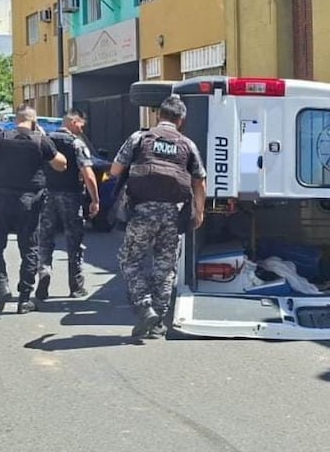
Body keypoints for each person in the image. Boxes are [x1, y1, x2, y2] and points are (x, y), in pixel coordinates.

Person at [110, 96, 207, 339]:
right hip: (172, 214)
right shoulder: (187, 145)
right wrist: (200, 211)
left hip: (142, 211)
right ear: (181, 120)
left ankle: (144, 308)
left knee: (130, 260)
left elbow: (115, 170)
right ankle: (158, 322)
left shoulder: (140, 138)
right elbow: (200, 182)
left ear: (158, 115)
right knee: (165, 267)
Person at [0, 105, 67, 314]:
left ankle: (2, 284)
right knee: (29, 249)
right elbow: (61, 165)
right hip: (30, 201)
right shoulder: (40, 140)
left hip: (1, 199)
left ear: (16, 120)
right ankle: (24, 299)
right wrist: (45, 139)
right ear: (34, 121)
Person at [34, 109, 100, 300]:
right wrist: (95, 200)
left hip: (48, 195)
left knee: (45, 239)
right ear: (72, 122)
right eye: (80, 124)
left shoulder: (45, 141)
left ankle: (44, 272)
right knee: (74, 242)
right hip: (71, 196)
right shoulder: (76, 143)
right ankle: (76, 286)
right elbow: (88, 174)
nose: (82, 128)